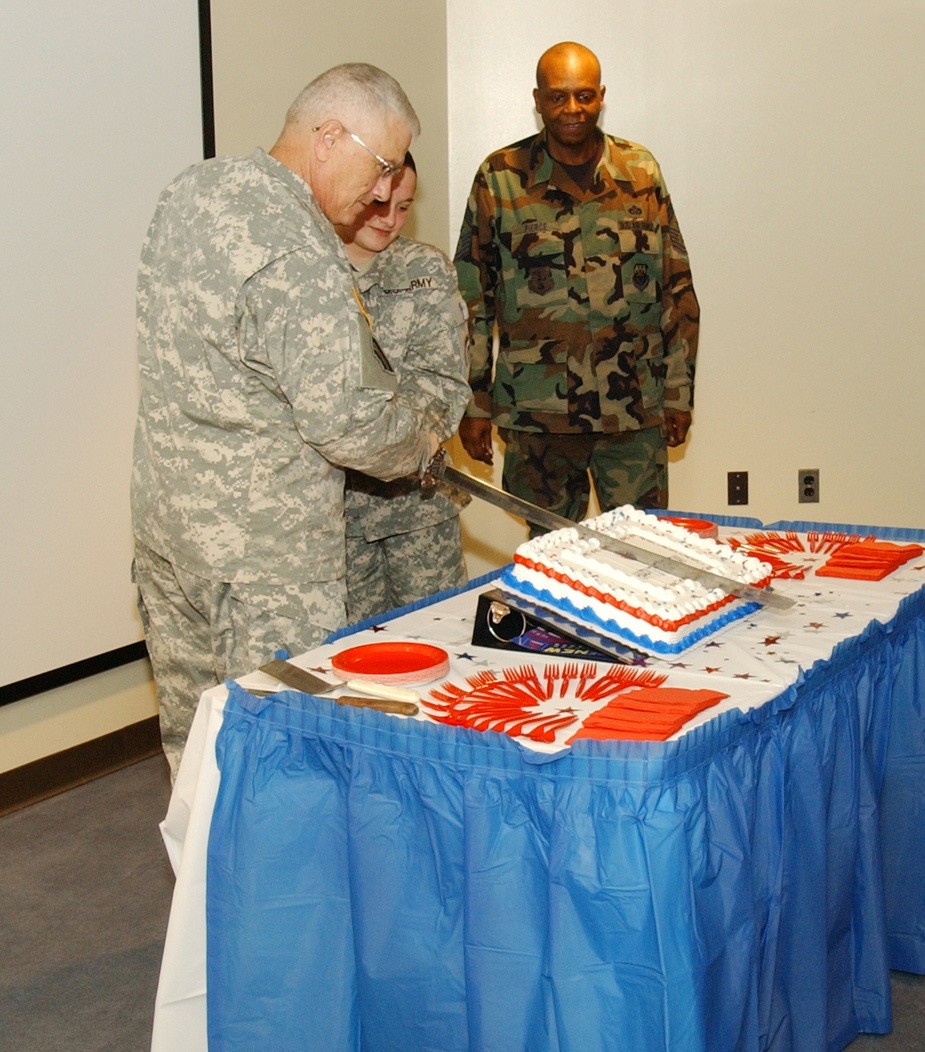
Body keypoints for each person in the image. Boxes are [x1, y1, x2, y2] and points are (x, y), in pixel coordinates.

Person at [131, 64, 457, 780]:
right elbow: (350, 419)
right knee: (284, 767)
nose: (383, 191)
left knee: (198, 762)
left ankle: (203, 892)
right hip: (262, 564)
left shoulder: (192, 191)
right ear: (327, 135)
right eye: (381, 167)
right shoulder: (299, 244)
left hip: (171, 538)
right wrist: (424, 443)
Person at [454, 41, 699, 529]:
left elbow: (676, 288)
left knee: (644, 555)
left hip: (632, 411)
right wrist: (474, 404)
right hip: (538, 415)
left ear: (601, 95)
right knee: (549, 563)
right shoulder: (500, 178)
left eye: (584, 96)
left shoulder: (640, 171)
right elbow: (471, 300)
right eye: (558, 96)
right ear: (538, 98)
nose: (572, 109)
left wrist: (678, 393)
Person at [335, 154, 471, 624]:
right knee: (350, 660)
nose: (390, 220)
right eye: (378, 205)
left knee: (440, 642)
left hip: (420, 510)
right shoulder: (311, 274)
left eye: (404, 207)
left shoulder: (426, 269)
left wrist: (385, 444)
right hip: (336, 521)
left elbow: (444, 384)